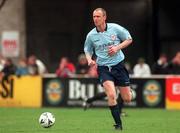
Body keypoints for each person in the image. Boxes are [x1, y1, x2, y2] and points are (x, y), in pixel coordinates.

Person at [84, 8, 133, 130]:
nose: (95, 19)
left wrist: (117, 48)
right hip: (103, 68)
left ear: (104, 17)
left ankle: (128, 90)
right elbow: (87, 49)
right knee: (111, 95)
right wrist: (89, 60)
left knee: (127, 99)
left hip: (119, 66)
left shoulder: (115, 28)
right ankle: (118, 125)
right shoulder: (91, 35)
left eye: (98, 16)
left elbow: (129, 39)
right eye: (94, 16)